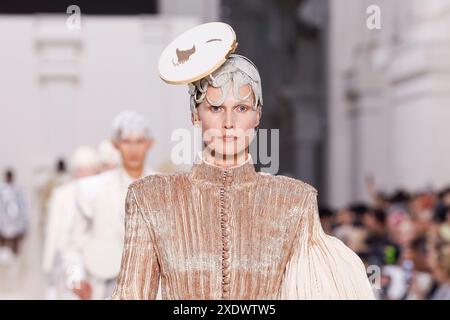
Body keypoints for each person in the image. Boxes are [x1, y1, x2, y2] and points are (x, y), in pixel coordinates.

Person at [112, 22, 374, 300]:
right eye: (215, 108)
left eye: (241, 108)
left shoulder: (295, 201)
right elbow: (131, 295)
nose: (229, 123)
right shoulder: (150, 199)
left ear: (257, 116)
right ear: (195, 115)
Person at [68, 111, 158, 300]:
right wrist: (76, 279)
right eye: (126, 142)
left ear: (149, 144)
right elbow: (74, 243)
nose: (133, 149)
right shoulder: (92, 189)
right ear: (115, 144)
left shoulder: (162, 189)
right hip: (101, 286)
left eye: (139, 141)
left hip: (149, 288)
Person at [42, 146, 101, 299]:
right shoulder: (62, 193)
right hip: (68, 259)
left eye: (89, 169)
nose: (84, 173)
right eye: (81, 169)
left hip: (96, 260)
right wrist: (49, 263)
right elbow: (53, 229)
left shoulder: (102, 191)